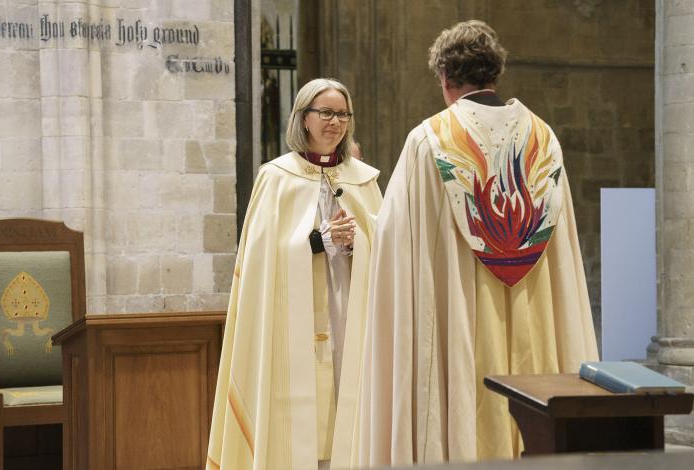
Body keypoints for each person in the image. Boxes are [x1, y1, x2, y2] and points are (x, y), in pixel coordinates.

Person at [357, 20, 598, 466]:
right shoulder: (544, 138)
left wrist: (362, 229)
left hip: (459, 316)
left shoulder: (429, 140)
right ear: (495, 74)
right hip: (532, 314)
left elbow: (395, 236)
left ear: (445, 79)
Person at [207, 78, 383, 470]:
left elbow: (385, 247)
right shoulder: (276, 177)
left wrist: (358, 243)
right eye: (325, 113)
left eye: (342, 114)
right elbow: (260, 261)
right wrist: (320, 240)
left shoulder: (363, 179)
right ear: (304, 119)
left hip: (345, 305)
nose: (335, 122)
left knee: (346, 387)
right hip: (291, 318)